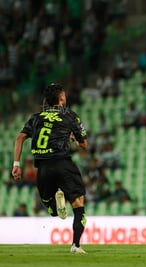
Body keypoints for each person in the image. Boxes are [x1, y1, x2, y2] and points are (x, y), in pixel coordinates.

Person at [11, 83, 88, 254]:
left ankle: (55, 205)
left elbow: (19, 138)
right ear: (61, 100)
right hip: (63, 164)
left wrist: (16, 164)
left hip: (43, 168)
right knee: (78, 204)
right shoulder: (69, 115)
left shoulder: (36, 117)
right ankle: (75, 245)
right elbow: (84, 144)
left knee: (52, 211)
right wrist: (74, 138)